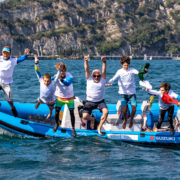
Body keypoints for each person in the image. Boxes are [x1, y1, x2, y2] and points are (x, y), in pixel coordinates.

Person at [107, 56, 149, 129]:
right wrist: (109, 82)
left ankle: (131, 119)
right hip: (123, 93)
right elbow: (113, 78)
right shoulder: (119, 71)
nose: (126, 66)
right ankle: (126, 120)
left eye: (127, 65)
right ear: (121, 65)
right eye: (124, 65)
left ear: (129, 64)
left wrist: (145, 71)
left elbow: (140, 74)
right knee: (124, 109)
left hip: (132, 93)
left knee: (134, 108)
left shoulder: (132, 70)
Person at [0, 46, 30, 117]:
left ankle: (13, 108)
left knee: (9, 100)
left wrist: (26, 55)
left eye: (7, 53)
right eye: (4, 53)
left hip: (7, 83)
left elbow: (22, 59)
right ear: (2, 53)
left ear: (10, 54)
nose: (5, 54)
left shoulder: (13, 61)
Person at [82, 56, 108, 135]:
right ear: (92, 76)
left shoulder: (103, 80)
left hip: (100, 102)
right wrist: (86, 61)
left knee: (106, 112)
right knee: (85, 116)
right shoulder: (89, 79)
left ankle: (99, 127)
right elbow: (86, 69)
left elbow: (104, 70)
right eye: (94, 76)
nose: (96, 77)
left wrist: (104, 62)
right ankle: (92, 119)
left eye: (98, 76)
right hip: (89, 102)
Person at [53, 62, 76, 136]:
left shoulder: (70, 76)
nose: (62, 72)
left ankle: (73, 128)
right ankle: (56, 124)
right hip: (60, 98)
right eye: (60, 71)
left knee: (71, 113)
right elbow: (50, 81)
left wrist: (61, 79)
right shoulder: (56, 76)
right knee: (56, 111)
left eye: (63, 70)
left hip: (69, 98)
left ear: (65, 70)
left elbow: (67, 83)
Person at [34, 55, 60, 119]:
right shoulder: (41, 80)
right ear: (43, 80)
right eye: (45, 81)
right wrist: (36, 63)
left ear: (50, 80)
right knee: (39, 100)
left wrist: (59, 70)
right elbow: (37, 72)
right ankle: (39, 103)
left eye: (48, 81)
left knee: (51, 108)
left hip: (50, 101)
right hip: (42, 98)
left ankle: (50, 113)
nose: (46, 83)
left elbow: (57, 77)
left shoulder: (53, 83)